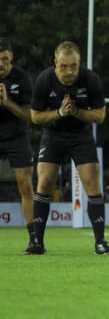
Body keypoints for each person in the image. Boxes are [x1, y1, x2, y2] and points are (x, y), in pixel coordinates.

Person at [27, 41, 109, 255]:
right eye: (64, 66)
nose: (69, 71)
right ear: (55, 63)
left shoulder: (90, 79)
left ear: (79, 63)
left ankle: (100, 243)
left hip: (81, 135)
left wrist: (75, 113)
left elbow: (100, 115)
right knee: (44, 182)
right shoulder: (44, 80)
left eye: (74, 66)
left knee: (93, 183)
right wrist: (60, 113)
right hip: (53, 134)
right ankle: (37, 242)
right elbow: (35, 117)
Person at [0, 37, 35, 252]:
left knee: (26, 185)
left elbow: (29, 115)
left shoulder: (22, 78)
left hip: (16, 135)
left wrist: (7, 103)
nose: (0, 64)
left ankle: (35, 239)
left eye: (4, 59)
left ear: (11, 57)